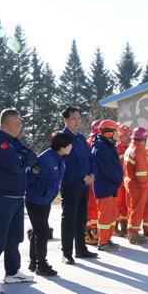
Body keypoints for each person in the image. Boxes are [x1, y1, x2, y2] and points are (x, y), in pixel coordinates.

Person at [0, 109, 37, 294]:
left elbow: (32, 157)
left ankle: (12, 272)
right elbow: (13, 165)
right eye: (19, 122)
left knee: (14, 238)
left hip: (17, 196)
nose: (21, 126)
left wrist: (22, 158)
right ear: (8, 123)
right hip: (1, 197)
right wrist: (22, 159)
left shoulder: (14, 141)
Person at [25, 130, 73, 276]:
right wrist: (38, 192)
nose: (71, 147)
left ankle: (34, 262)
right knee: (42, 232)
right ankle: (41, 264)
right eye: (69, 145)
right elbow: (29, 177)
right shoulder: (45, 159)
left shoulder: (60, 158)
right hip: (36, 200)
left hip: (45, 199)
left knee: (38, 231)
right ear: (62, 146)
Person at [58, 106, 98, 265]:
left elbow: (91, 158)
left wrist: (92, 174)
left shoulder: (81, 138)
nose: (77, 121)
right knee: (69, 218)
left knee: (82, 217)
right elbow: (66, 163)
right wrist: (83, 176)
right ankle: (66, 253)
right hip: (71, 184)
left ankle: (81, 249)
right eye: (74, 118)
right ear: (65, 120)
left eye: (79, 118)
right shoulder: (61, 138)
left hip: (85, 184)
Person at [91, 120, 124, 251]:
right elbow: (108, 169)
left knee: (110, 215)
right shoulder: (101, 148)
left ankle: (107, 239)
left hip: (109, 186)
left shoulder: (106, 145)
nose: (117, 135)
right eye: (115, 132)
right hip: (104, 187)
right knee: (105, 216)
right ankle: (103, 242)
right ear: (108, 133)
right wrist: (118, 179)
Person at [124, 127, 148, 244]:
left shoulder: (131, 148)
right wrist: (143, 183)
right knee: (137, 209)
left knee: (136, 208)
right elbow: (141, 171)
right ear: (144, 139)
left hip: (132, 182)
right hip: (139, 184)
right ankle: (133, 234)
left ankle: (139, 230)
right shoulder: (138, 150)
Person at [84, 120, 102, 246]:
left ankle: (93, 233)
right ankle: (89, 233)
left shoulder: (89, 142)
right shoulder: (94, 143)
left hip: (93, 179)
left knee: (92, 207)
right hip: (93, 180)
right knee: (91, 207)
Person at [114, 124, 131, 236]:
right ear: (120, 136)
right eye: (127, 135)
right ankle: (115, 228)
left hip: (127, 180)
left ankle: (124, 228)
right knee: (117, 204)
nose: (129, 137)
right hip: (118, 181)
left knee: (126, 204)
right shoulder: (116, 148)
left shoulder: (129, 148)